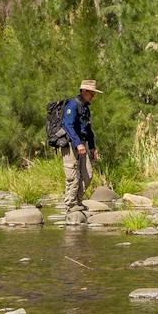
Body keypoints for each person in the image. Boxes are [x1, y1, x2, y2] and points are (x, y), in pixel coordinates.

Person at [60, 78, 100, 224]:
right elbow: (67, 125)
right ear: (83, 91)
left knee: (88, 174)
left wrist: (93, 147)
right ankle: (71, 204)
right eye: (91, 93)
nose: (93, 96)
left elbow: (88, 129)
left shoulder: (85, 107)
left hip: (82, 144)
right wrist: (78, 144)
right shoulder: (72, 104)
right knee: (73, 176)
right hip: (70, 144)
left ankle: (78, 201)